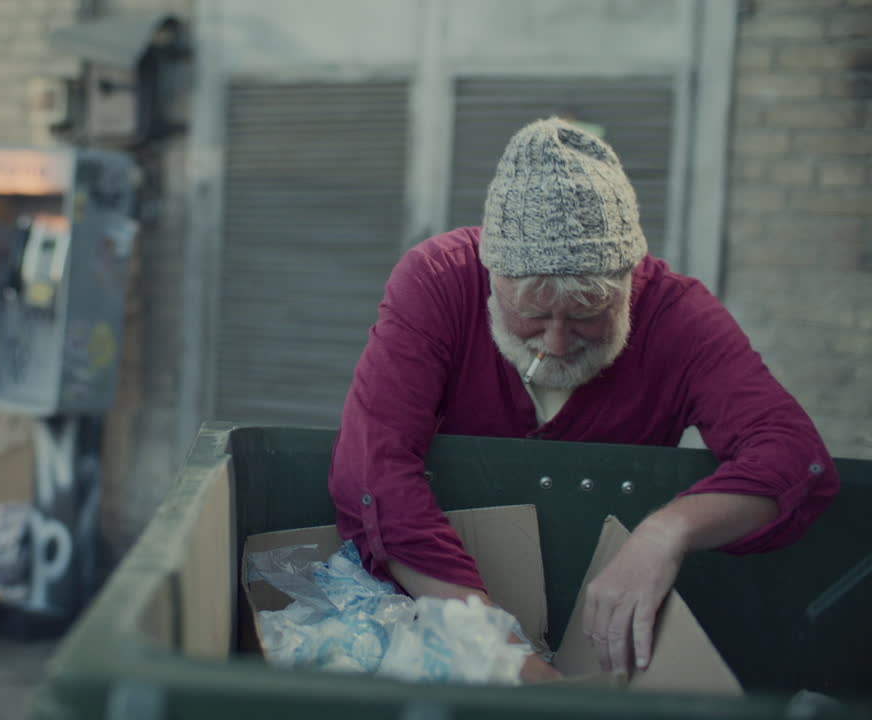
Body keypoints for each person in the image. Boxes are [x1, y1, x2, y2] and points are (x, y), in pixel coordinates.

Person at [327, 117, 839, 681]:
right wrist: (497, 648)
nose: (556, 342)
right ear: (491, 274)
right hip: (440, 613)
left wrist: (665, 534)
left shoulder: (679, 317)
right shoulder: (437, 281)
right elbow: (373, 471)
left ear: (629, 280)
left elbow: (794, 455)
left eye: (588, 316)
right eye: (533, 314)